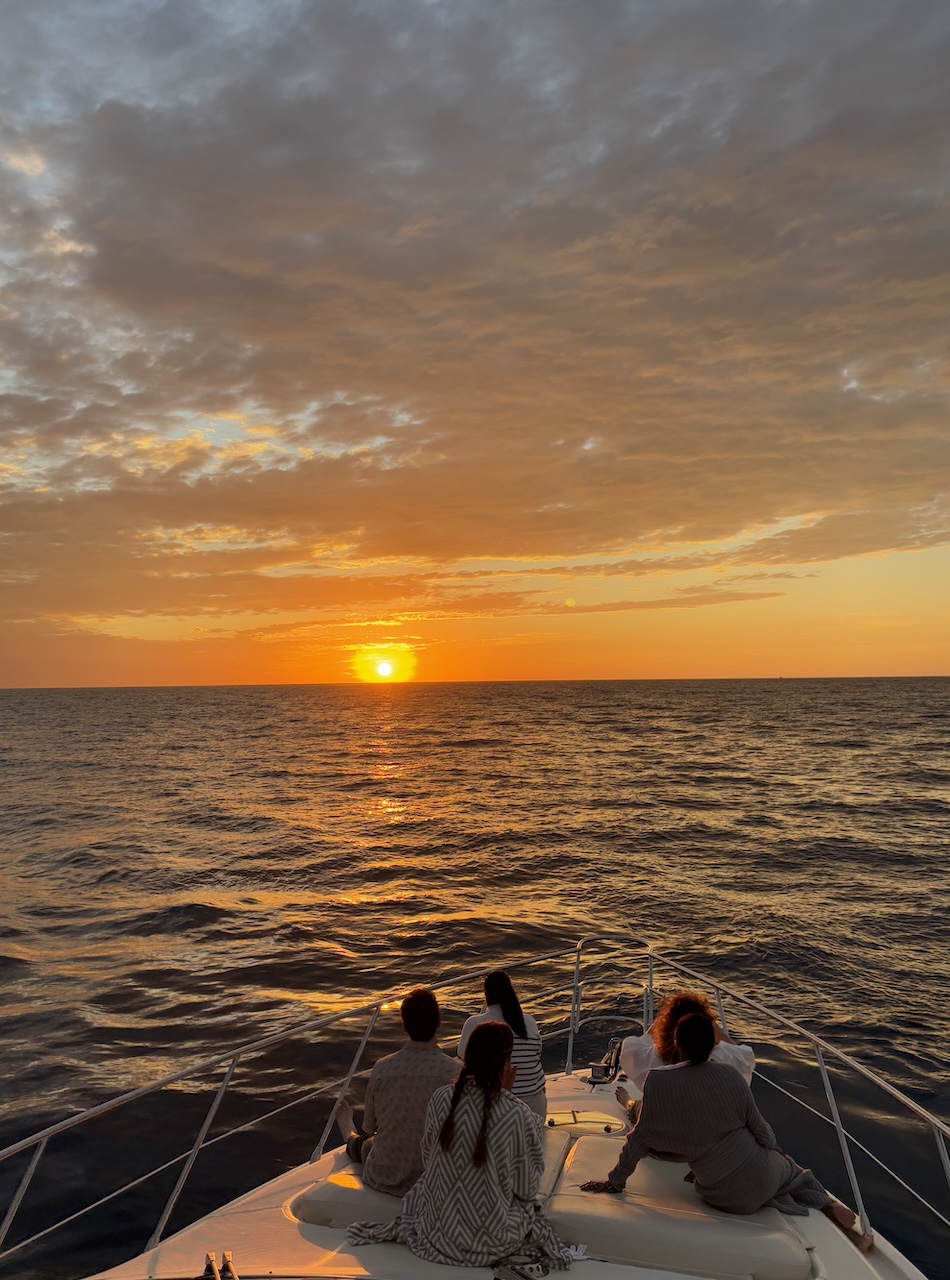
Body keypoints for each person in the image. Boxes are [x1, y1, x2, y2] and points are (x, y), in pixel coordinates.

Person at [581, 1013, 873, 1254]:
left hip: (724, 1195)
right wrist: (774, 1151)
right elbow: (760, 1129)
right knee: (792, 1169)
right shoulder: (730, 1076)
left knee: (763, 1164)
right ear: (713, 1046)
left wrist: (614, 1183)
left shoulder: (658, 1082)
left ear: (676, 1043)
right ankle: (829, 1206)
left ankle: (795, 1183)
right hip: (762, 1171)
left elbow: (639, 1141)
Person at [347, 1022, 576, 1269]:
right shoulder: (519, 1115)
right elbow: (526, 1188)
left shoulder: (440, 1099)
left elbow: (429, 1159)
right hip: (491, 1242)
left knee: (424, 1187)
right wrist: (506, 1093)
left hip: (438, 1234)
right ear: (506, 1063)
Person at [334, 987, 458, 1197]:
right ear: (438, 1023)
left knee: (367, 1142)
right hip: (435, 1182)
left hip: (384, 1176)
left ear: (404, 1025)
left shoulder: (382, 1069)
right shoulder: (457, 1073)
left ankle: (348, 1132)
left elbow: (371, 1127)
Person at [615, 989, 754, 1117]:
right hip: (703, 1122)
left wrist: (662, 1021)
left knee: (642, 1108)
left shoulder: (654, 1065)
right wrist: (711, 1026)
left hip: (665, 1117)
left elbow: (635, 1046)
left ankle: (628, 1102)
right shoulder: (724, 1061)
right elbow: (741, 1056)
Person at [458, 970, 547, 1119]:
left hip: (498, 1107)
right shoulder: (529, 1023)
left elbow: (465, 1060)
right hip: (536, 1107)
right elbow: (536, 1055)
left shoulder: (474, 1024)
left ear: (487, 997)